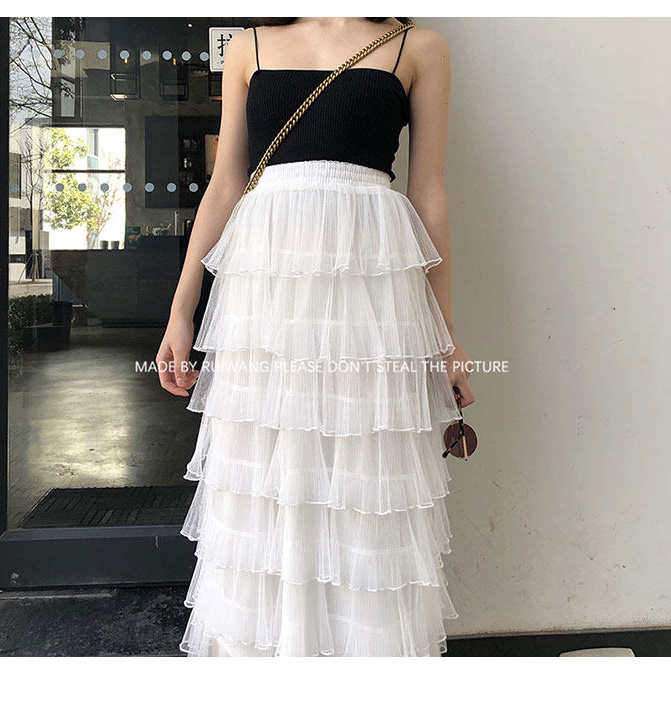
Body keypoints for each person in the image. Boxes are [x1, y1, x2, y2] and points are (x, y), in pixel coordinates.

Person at [157, 16, 475, 657]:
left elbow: (428, 191)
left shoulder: (418, 48)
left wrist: (445, 335)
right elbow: (226, 184)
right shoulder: (248, 46)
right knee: (264, 470)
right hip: (266, 288)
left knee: (364, 471)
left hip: (370, 286)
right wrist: (182, 308)